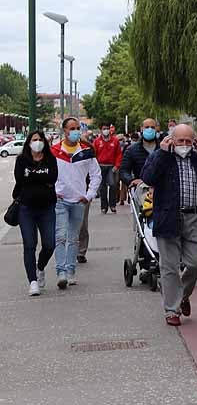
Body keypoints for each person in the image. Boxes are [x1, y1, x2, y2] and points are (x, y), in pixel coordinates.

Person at [140, 124, 197, 326]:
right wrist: (162, 154)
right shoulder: (161, 156)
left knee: (195, 263)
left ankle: (182, 296)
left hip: (194, 217)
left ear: (195, 142)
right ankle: (172, 310)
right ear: (171, 141)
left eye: (188, 141)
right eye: (180, 141)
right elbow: (148, 178)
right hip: (168, 216)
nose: (184, 145)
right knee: (170, 266)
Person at [51, 117, 101, 289]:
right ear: (64, 131)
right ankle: (61, 272)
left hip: (79, 201)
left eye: (77, 128)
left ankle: (71, 271)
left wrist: (89, 195)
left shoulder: (86, 151)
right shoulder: (55, 151)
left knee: (73, 238)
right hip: (61, 201)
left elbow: (96, 175)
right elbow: (48, 176)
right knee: (60, 236)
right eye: (71, 128)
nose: (75, 131)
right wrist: (53, 193)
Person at [13, 130, 58, 296]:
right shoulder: (21, 160)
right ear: (29, 142)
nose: (37, 142)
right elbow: (21, 180)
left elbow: (52, 178)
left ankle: (40, 267)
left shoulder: (50, 159)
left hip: (47, 208)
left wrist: (32, 176)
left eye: (40, 139)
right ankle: (32, 281)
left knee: (49, 244)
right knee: (29, 245)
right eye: (34, 139)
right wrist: (41, 179)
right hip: (26, 208)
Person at [121, 118, 160, 188]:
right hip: (141, 188)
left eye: (152, 127)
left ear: (156, 129)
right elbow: (124, 170)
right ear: (141, 128)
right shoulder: (131, 150)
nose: (150, 130)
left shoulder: (163, 149)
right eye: (147, 127)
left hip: (160, 187)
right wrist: (131, 180)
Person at [93, 124, 123, 215]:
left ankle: (112, 205)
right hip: (100, 166)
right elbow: (93, 154)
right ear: (101, 130)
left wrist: (117, 166)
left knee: (113, 185)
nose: (106, 130)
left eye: (107, 129)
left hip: (111, 166)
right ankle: (104, 207)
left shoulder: (115, 141)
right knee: (102, 188)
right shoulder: (97, 141)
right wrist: (95, 167)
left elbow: (119, 154)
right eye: (104, 129)